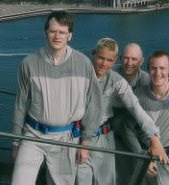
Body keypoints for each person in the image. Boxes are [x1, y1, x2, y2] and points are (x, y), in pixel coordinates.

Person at [11, 11, 103, 184]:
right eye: (53, 31)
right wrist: (16, 142)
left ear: (70, 35)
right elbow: (20, 105)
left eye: (62, 32)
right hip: (32, 137)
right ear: (46, 32)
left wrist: (86, 141)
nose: (57, 36)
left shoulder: (83, 64)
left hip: (66, 139)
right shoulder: (28, 64)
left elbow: (94, 104)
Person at [76, 38, 168, 185]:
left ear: (113, 61)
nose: (104, 64)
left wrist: (154, 138)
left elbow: (136, 108)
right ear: (93, 54)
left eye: (109, 60)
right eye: (101, 58)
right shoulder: (79, 75)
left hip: (104, 137)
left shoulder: (117, 81)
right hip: (76, 136)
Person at [128, 50, 169, 184]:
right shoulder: (138, 96)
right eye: (153, 69)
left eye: (162, 68)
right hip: (145, 161)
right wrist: (139, 155)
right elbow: (127, 128)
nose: (158, 73)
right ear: (148, 70)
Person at [113, 43, 150, 183]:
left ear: (142, 61)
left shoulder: (147, 82)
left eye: (134, 59)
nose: (129, 63)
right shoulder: (112, 75)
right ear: (120, 58)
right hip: (115, 138)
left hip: (137, 139)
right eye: (126, 58)